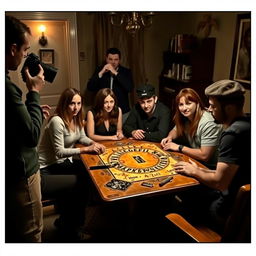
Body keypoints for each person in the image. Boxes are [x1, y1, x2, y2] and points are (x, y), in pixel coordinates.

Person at [173, 80, 250, 233]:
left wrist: (194, 171)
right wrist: (200, 170)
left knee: (179, 202)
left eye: (214, 106)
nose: (210, 110)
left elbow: (219, 183)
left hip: (227, 210)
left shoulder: (232, 134)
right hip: (246, 207)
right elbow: (228, 174)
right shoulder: (248, 123)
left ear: (228, 108)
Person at [38, 88, 105, 241]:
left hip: (59, 164)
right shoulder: (57, 121)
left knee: (88, 173)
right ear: (64, 104)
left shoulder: (76, 117)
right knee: (81, 183)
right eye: (72, 104)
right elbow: (59, 152)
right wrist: (87, 150)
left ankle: (66, 220)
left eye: (79, 103)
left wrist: (94, 143)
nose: (76, 107)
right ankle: (74, 228)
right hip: (45, 168)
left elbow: (82, 137)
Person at [5, 15, 47, 242]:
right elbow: (31, 136)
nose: (24, 56)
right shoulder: (7, 89)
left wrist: (35, 109)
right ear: (13, 49)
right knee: (31, 235)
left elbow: (20, 125)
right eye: (24, 50)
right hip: (21, 175)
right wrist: (34, 92)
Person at [161, 88, 222, 169]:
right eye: (181, 104)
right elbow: (175, 130)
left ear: (197, 103)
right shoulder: (186, 116)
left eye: (188, 103)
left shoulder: (208, 123)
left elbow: (205, 156)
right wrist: (169, 137)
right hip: (196, 161)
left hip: (212, 168)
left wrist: (179, 147)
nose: (184, 108)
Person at [87, 47, 133, 122]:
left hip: (122, 110)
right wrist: (101, 73)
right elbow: (90, 87)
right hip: (103, 110)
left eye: (116, 59)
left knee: (122, 132)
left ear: (119, 60)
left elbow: (129, 88)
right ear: (106, 59)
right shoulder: (99, 70)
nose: (113, 62)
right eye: (110, 59)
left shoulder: (126, 72)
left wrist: (115, 73)